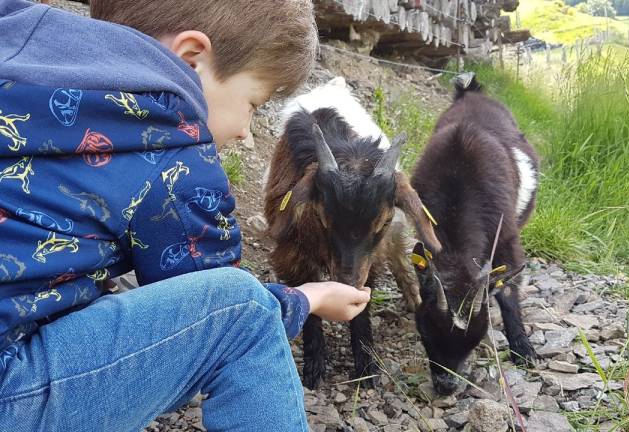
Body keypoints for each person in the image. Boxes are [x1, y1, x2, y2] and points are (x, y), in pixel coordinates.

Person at [0, 1, 371, 431]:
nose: (246, 131)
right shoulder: (173, 144)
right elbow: (207, 294)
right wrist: (308, 297)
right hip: (11, 393)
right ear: (190, 58)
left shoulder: (18, 45)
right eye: (253, 102)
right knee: (244, 314)